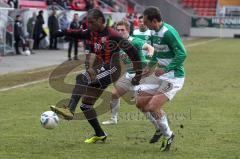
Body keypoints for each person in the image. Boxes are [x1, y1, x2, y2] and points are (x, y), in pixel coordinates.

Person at [50, 9, 143, 144]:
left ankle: (69, 109)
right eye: (88, 23)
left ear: (101, 21)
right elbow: (77, 33)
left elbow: (133, 53)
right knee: (86, 105)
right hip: (101, 69)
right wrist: (62, 32)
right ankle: (100, 134)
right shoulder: (91, 32)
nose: (89, 25)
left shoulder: (113, 35)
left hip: (112, 69)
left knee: (81, 78)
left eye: (92, 22)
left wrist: (138, 74)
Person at [101, 20, 163, 143]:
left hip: (142, 75)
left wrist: (150, 54)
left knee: (142, 106)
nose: (120, 32)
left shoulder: (135, 41)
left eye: (122, 30)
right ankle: (114, 118)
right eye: (117, 30)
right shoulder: (117, 44)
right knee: (114, 94)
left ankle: (159, 128)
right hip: (129, 75)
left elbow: (149, 47)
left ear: (128, 30)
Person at [135, 7, 187, 151]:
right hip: (160, 74)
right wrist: (149, 67)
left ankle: (168, 135)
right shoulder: (152, 31)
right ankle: (159, 128)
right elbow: (156, 51)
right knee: (140, 103)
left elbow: (182, 54)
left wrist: (166, 68)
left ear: (154, 21)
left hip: (174, 77)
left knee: (153, 106)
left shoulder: (168, 33)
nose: (144, 25)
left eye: (146, 22)